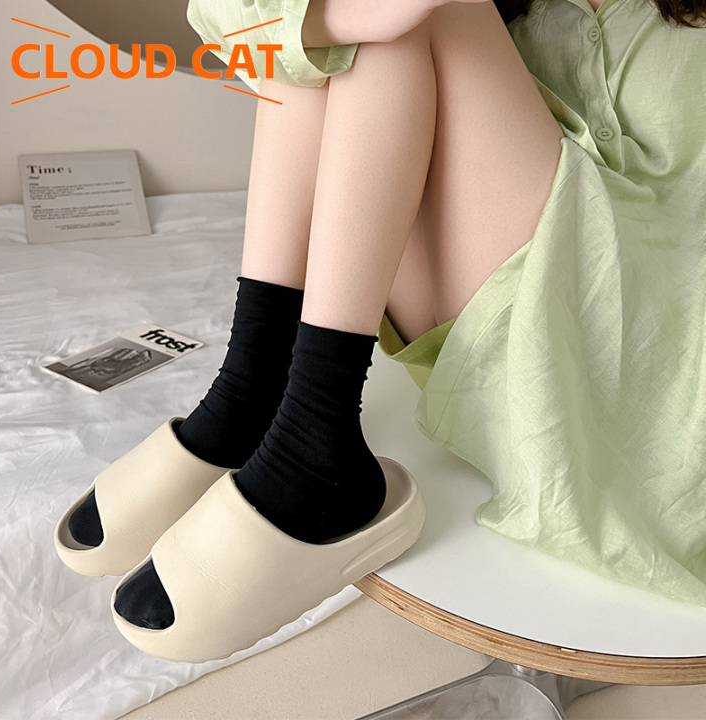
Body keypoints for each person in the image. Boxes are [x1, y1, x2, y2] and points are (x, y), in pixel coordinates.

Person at [56, 0, 706, 657]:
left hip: (663, 363)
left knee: (402, 16)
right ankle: (255, 388)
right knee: (343, 25)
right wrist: (336, 18)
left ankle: (308, 426)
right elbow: (235, 23)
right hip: (498, 306)